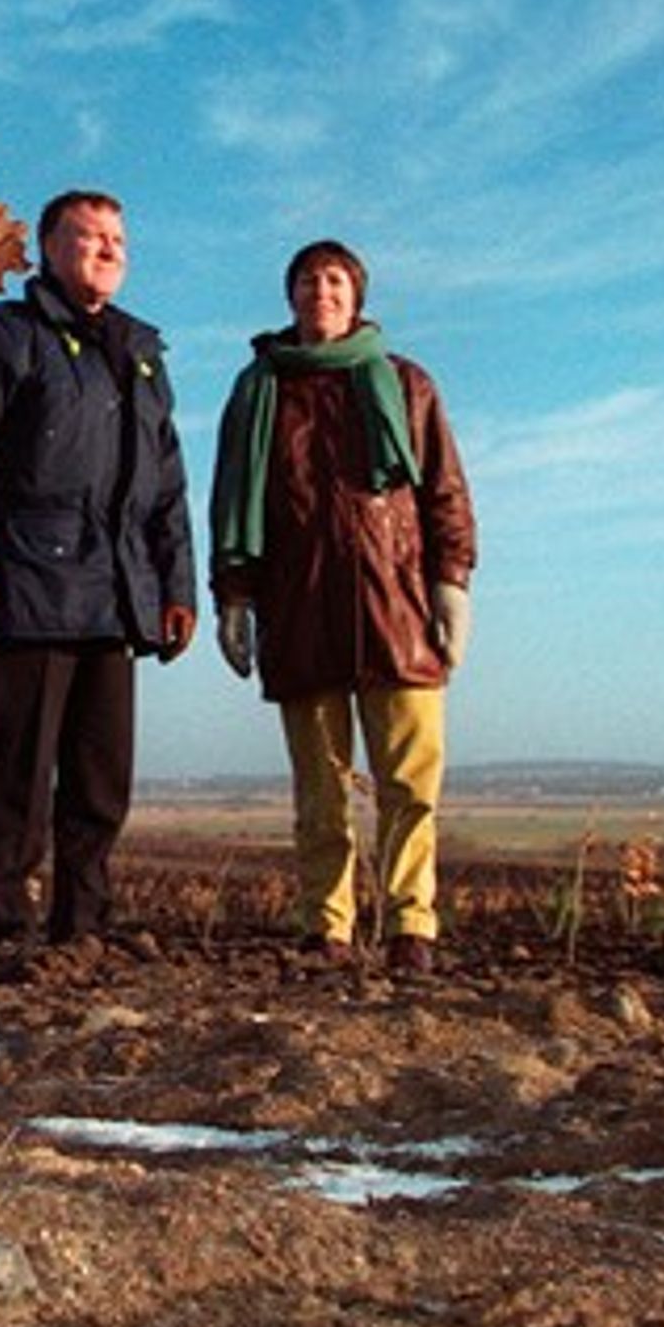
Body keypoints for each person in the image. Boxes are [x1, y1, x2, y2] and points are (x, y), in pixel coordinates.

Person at [0, 189, 197, 949]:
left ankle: (82, 926)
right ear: (49, 248)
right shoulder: (1, 336)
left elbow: (167, 485)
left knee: (101, 776)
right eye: (89, 236)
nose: (108, 248)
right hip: (28, 585)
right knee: (18, 767)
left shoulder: (140, 355)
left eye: (118, 237)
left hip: (118, 593)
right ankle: (6, 925)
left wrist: (175, 587)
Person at [210, 239, 477, 972]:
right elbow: (234, 495)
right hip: (299, 608)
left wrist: (452, 582)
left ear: (356, 296)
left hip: (398, 607)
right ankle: (326, 926)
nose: (319, 291)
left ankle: (409, 926)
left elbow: (443, 490)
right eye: (305, 280)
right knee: (320, 792)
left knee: (411, 783)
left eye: (333, 280)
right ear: (289, 295)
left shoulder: (405, 382)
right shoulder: (260, 388)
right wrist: (234, 595)